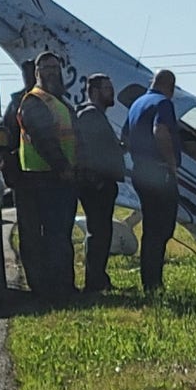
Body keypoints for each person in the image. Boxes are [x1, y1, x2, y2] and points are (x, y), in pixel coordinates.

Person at [16, 51, 78, 298]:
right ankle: (52, 288)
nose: (52, 72)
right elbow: (43, 139)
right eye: (47, 68)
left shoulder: (58, 101)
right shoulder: (34, 101)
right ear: (37, 72)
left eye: (55, 68)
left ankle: (62, 285)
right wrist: (62, 166)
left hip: (59, 177)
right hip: (42, 177)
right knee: (50, 235)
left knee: (60, 234)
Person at [122, 69, 180, 292]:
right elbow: (161, 130)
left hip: (141, 171)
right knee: (163, 227)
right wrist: (171, 163)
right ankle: (153, 281)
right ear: (170, 86)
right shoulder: (163, 103)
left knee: (151, 226)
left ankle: (150, 278)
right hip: (159, 172)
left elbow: (125, 137)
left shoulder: (137, 104)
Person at [75, 74, 125, 293]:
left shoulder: (96, 115)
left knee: (102, 232)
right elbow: (85, 151)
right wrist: (95, 181)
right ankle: (94, 282)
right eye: (107, 88)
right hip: (96, 185)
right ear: (94, 91)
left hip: (102, 182)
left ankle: (98, 278)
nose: (111, 92)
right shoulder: (90, 115)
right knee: (99, 233)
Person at [1, 60, 48, 292]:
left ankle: (51, 280)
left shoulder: (50, 100)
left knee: (51, 231)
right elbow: (4, 141)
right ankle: (37, 282)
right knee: (30, 232)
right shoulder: (17, 103)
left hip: (50, 175)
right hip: (25, 178)